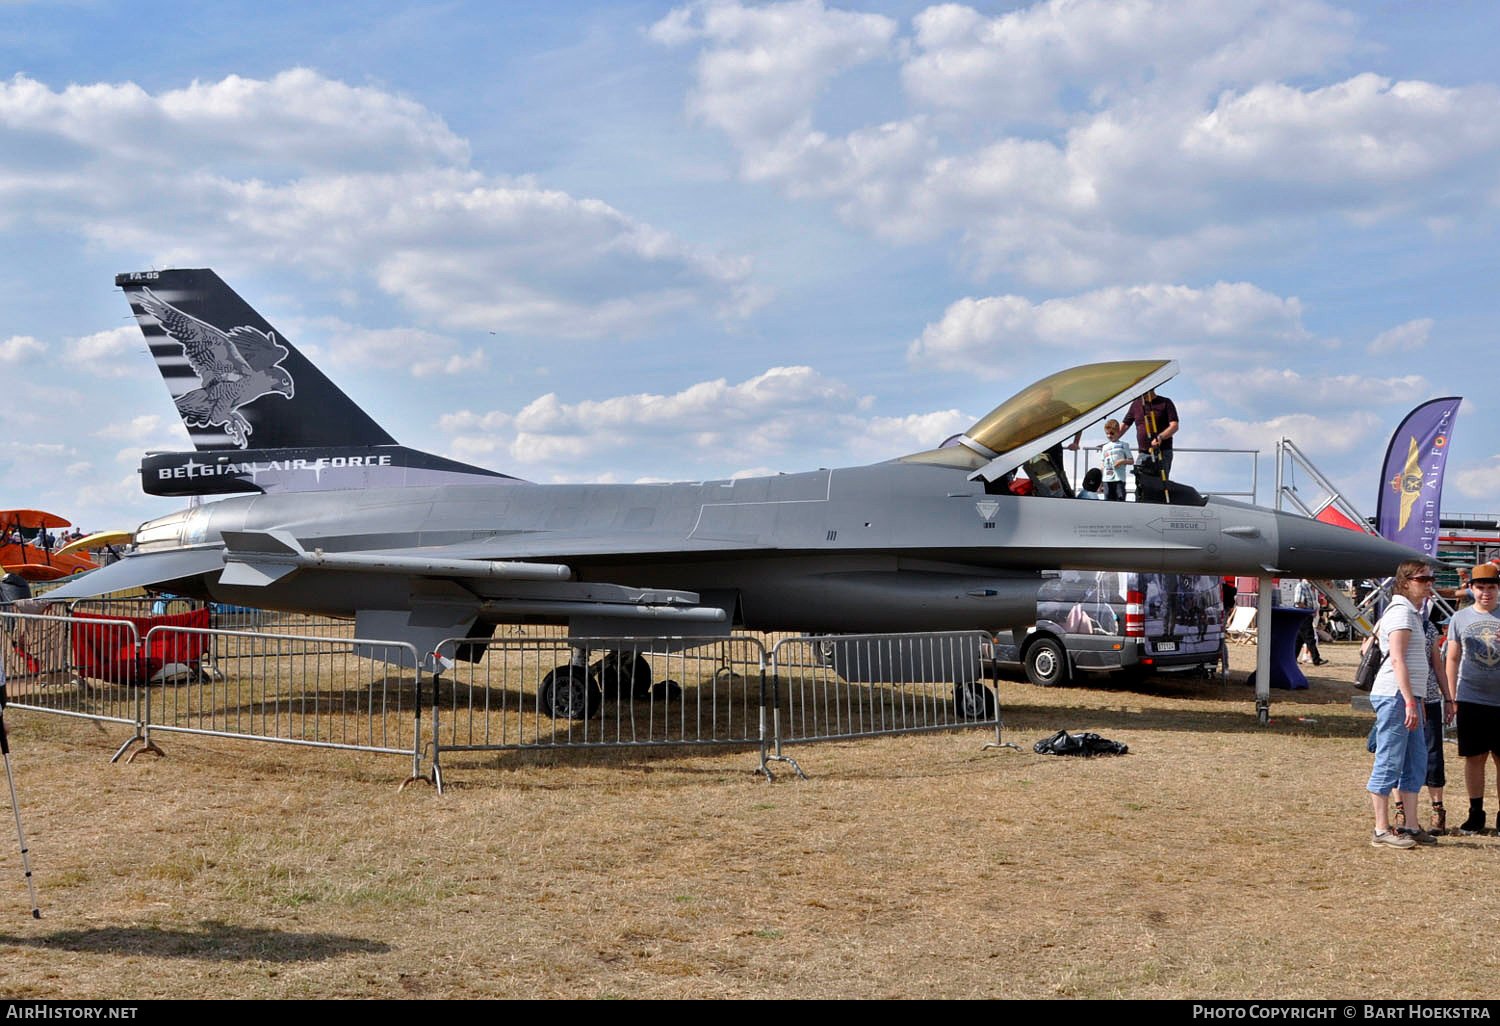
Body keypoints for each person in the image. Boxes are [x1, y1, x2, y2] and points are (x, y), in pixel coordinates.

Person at [1365, 559, 1439, 848]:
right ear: (1405, 582)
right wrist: (1409, 700)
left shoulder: (1413, 613)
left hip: (1408, 696)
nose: (1429, 583)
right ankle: (1381, 829)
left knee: (1415, 761)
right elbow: (1396, 658)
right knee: (1390, 759)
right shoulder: (1400, 613)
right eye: (1423, 579)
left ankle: (1410, 825)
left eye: (1430, 578)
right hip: (1395, 695)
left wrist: (1415, 699)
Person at [1443, 562, 1500, 835]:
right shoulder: (1460, 618)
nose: (1486, 593)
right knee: (1475, 757)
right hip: (1471, 698)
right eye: (1481, 588)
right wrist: (1451, 697)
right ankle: (1475, 814)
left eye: (1491, 587)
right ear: (1472, 589)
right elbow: (1452, 658)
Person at [1121, 389, 1179, 480]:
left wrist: (1160, 437)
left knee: (1160, 485)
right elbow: (1125, 425)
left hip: (1162, 452)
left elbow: (1174, 426)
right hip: (1143, 453)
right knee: (1141, 486)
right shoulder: (1136, 404)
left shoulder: (1166, 402)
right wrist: (1111, 441)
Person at [1293, 579, 1326, 666]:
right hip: (1303, 615)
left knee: (1299, 639)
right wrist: (1309, 611)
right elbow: (1298, 602)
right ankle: (1316, 659)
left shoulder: (1309, 587)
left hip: (1307, 615)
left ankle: (1292, 659)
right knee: (1309, 638)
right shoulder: (1301, 586)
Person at [1098, 419, 1133, 501]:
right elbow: (1102, 464)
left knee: (1120, 500)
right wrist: (1100, 481)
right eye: (1107, 433)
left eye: (1112, 433)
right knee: (1108, 500)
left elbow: (1131, 461)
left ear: (1118, 432)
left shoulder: (1123, 445)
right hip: (1107, 479)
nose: (1109, 436)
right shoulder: (1105, 447)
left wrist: (1121, 461)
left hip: (1119, 479)